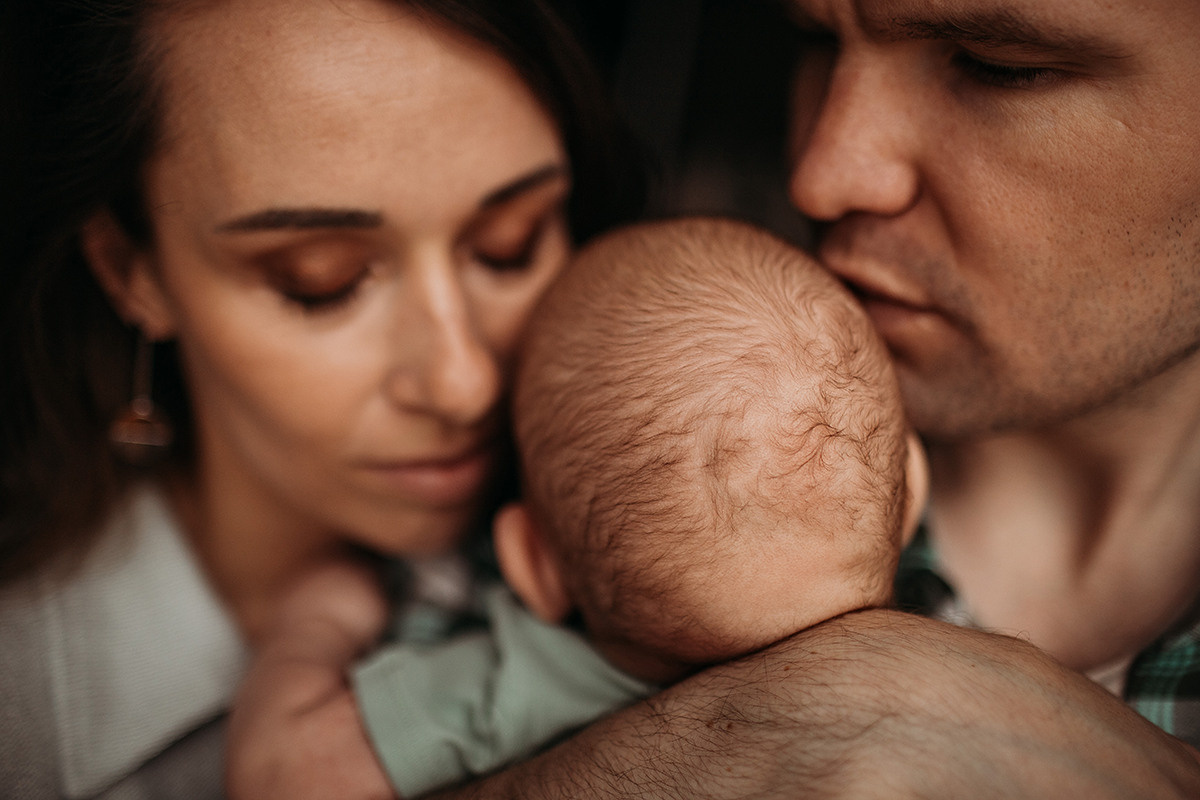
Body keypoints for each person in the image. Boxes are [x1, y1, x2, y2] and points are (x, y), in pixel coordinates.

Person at [0, 0, 643, 797]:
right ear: (131, 269)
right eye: (321, 281)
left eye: (511, 245)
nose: (463, 381)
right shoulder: (24, 714)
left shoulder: (673, 567)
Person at [228, 216, 929, 797]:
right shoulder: (939, 655)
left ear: (533, 565)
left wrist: (317, 619)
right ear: (913, 489)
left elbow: (287, 774)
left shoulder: (525, 687)